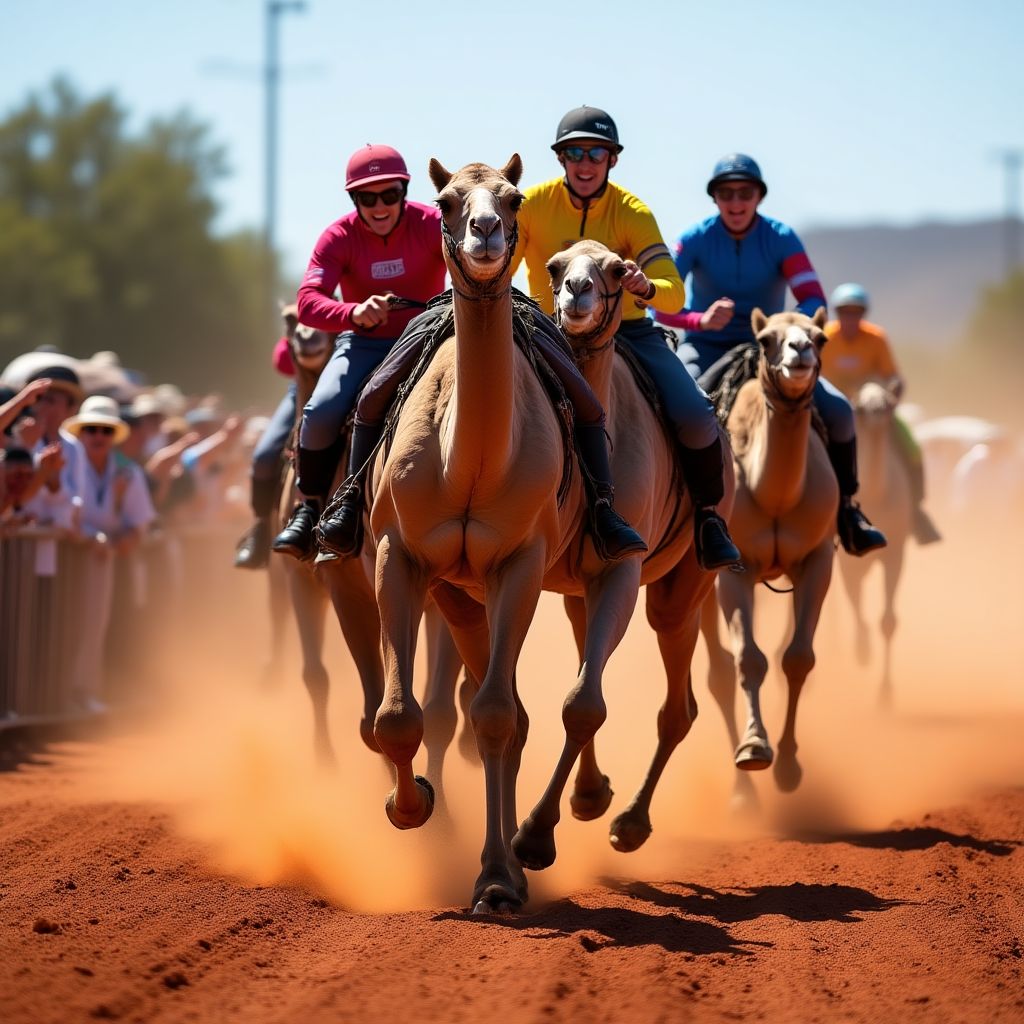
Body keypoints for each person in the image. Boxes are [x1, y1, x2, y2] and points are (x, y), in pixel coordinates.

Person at [505, 106, 741, 570]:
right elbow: (502, 274)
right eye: (575, 152)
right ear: (561, 159)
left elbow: (673, 295)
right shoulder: (529, 205)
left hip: (629, 331)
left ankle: (709, 519)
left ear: (612, 160)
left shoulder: (633, 212)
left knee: (695, 413)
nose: (586, 161)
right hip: (544, 332)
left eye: (597, 152)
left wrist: (645, 287)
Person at [656, 154, 886, 556]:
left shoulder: (781, 237)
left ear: (759, 196)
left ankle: (849, 512)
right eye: (726, 193)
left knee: (840, 411)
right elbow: (662, 305)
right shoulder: (694, 238)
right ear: (715, 199)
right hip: (706, 346)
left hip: (773, 349)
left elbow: (813, 298)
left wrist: (786, 327)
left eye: (745, 192)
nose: (736, 201)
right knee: (684, 408)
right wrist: (700, 320)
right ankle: (680, 511)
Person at [271, 144, 449, 561]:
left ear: (404, 192)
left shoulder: (434, 223)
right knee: (320, 410)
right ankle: (311, 508)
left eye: (389, 194)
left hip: (430, 337)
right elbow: (308, 301)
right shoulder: (338, 236)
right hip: (364, 343)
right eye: (367, 198)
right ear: (355, 200)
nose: (380, 205)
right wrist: (354, 312)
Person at [823, 283, 941, 544]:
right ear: (837, 314)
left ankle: (916, 510)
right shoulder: (824, 337)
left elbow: (893, 377)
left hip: (871, 411)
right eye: (845, 312)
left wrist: (892, 397)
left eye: (856, 313)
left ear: (863, 314)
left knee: (910, 445)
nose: (850, 318)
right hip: (831, 410)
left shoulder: (876, 338)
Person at [62, 396, 156, 713]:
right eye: (91, 429)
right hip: (63, 553)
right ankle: (54, 693)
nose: (98, 436)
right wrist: (93, 539)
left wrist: (114, 544)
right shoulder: (66, 464)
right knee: (59, 623)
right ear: (81, 433)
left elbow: (138, 524)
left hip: (103, 560)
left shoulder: (129, 472)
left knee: (93, 624)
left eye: (105, 430)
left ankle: (83, 691)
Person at [233, 309, 301, 569]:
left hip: (350, 382)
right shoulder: (305, 312)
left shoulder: (343, 313)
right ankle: (261, 530)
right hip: (300, 392)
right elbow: (282, 362)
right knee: (263, 458)